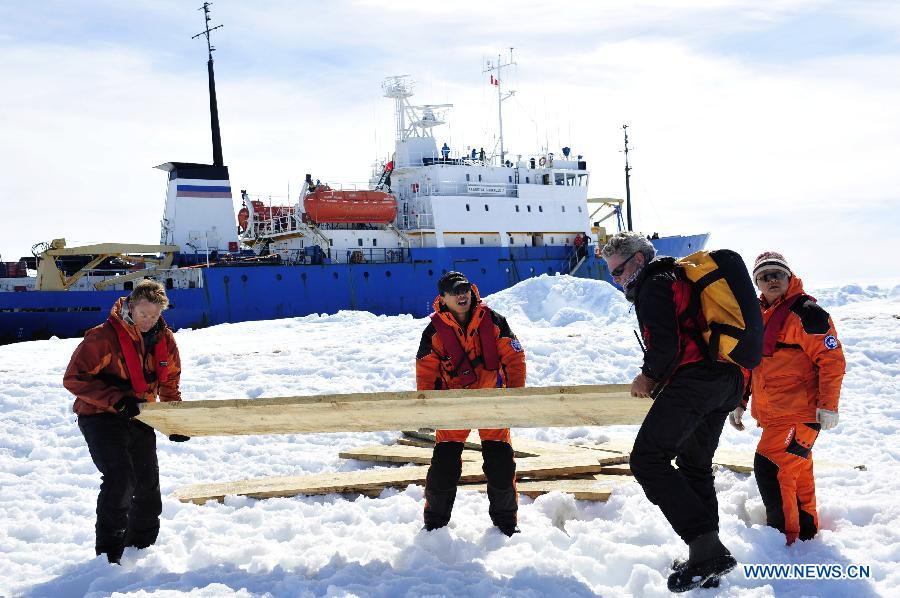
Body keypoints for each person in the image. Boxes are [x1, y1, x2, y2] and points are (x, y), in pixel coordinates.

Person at [601, 232, 742, 592]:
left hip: (696, 380)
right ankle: (705, 556)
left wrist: (647, 377)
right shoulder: (680, 278)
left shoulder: (654, 284)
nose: (615, 281)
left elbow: (665, 346)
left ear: (636, 261)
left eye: (617, 272)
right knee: (694, 465)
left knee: (647, 460)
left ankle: (707, 549)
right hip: (726, 379)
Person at [63, 279, 185, 564]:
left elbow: (169, 383)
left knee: (147, 485)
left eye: (155, 315)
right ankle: (108, 556)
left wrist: (175, 421)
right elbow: (74, 379)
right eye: (143, 314)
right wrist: (115, 399)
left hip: (139, 415)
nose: (148, 320)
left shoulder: (164, 339)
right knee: (120, 481)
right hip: (99, 416)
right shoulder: (102, 337)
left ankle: (141, 550)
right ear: (130, 307)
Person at [729, 252, 845, 545]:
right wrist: (741, 401)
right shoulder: (757, 316)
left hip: (799, 414)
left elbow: (831, 360)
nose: (771, 280)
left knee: (770, 466)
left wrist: (828, 406)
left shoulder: (807, 313)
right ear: (757, 283)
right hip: (773, 416)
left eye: (777, 274)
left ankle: (783, 540)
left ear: (789, 276)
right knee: (796, 473)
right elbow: (749, 364)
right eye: (764, 276)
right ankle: (806, 535)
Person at [416, 271, 527, 536]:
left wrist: (514, 398)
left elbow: (514, 359)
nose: (461, 294)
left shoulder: (495, 321)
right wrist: (428, 410)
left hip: (492, 402)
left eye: (464, 288)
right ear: (443, 298)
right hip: (454, 405)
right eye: (454, 291)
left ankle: (506, 526)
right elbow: (426, 372)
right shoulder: (433, 331)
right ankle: (434, 526)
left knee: (500, 466)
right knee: (444, 467)